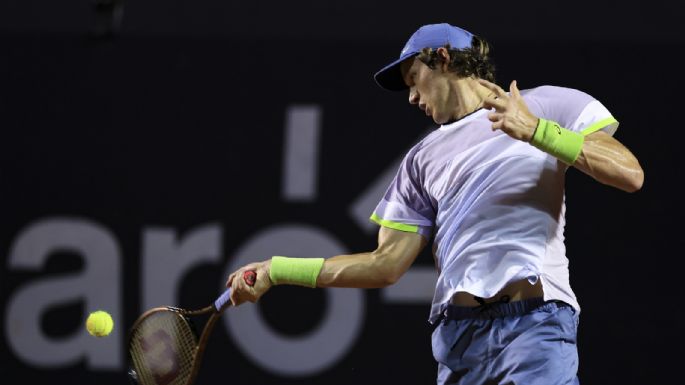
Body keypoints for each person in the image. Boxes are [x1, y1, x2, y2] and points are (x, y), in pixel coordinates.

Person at [225, 22, 644, 385]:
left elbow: (629, 174)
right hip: (459, 341)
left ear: (443, 58)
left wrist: (537, 130)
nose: (411, 98)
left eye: (413, 79)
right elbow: (384, 265)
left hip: (535, 324)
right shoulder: (419, 161)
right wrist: (278, 270)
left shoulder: (548, 105)